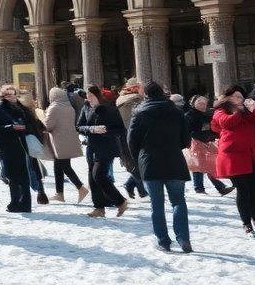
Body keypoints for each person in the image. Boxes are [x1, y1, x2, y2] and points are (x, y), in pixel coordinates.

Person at [127, 81, 192, 253]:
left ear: (146, 95)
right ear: (163, 94)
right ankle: (183, 238)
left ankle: (163, 241)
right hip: (174, 160)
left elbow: (131, 141)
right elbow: (186, 140)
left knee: (157, 204)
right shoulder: (177, 112)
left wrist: (137, 158)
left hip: (149, 162)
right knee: (178, 201)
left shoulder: (139, 113)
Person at [211, 85, 255, 236]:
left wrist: (253, 109)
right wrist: (238, 111)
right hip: (232, 157)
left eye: (242, 97)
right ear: (228, 98)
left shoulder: (246, 112)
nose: (241, 100)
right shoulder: (220, 111)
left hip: (250, 156)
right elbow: (228, 124)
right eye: (237, 97)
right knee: (242, 189)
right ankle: (246, 223)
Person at [77, 84, 129, 218]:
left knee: (98, 175)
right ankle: (99, 208)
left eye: (91, 96)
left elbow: (120, 129)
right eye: (87, 97)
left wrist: (105, 131)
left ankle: (121, 201)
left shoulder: (110, 109)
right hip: (91, 147)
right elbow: (79, 126)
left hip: (107, 147)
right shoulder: (86, 107)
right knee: (92, 178)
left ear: (98, 96)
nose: (89, 99)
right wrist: (91, 129)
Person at [0, 84, 43, 213]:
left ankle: (25, 204)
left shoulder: (23, 109)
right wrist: (10, 128)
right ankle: (14, 203)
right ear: (3, 96)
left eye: (13, 94)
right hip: (8, 146)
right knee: (12, 176)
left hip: (23, 145)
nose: (12, 97)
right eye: (8, 95)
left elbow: (34, 125)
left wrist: (25, 128)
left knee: (24, 176)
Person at [43, 87, 87, 203]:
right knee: (59, 166)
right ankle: (59, 193)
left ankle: (81, 187)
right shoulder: (68, 107)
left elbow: (48, 126)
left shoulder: (54, 107)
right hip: (68, 140)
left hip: (59, 141)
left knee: (64, 166)